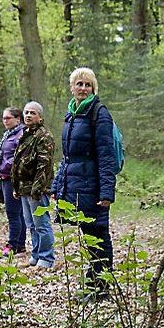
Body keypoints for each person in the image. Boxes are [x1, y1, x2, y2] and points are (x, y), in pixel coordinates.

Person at [52, 68, 117, 300]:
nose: (82, 88)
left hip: (94, 186)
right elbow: (67, 157)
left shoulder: (98, 113)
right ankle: (93, 284)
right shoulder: (71, 114)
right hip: (77, 186)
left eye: (87, 85)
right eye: (79, 84)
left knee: (98, 235)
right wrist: (57, 185)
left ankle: (102, 288)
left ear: (93, 88)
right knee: (88, 236)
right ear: (72, 87)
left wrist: (107, 191)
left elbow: (106, 155)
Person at [11, 101, 56, 269]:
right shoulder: (25, 134)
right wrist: (16, 186)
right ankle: (36, 254)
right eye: (26, 112)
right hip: (24, 187)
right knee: (30, 224)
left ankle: (47, 257)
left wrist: (37, 189)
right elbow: (18, 162)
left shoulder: (44, 136)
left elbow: (44, 165)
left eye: (33, 113)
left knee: (41, 224)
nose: (28, 115)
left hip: (37, 188)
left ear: (40, 117)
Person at [0, 107, 26, 255]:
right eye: (3, 118)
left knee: (13, 213)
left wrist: (5, 165)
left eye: (8, 118)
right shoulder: (9, 134)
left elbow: (20, 156)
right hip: (6, 177)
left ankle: (13, 244)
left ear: (17, 119)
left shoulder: (21, 134)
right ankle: (20, 243)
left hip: (13, 177)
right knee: (18, 213)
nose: (5, 121)